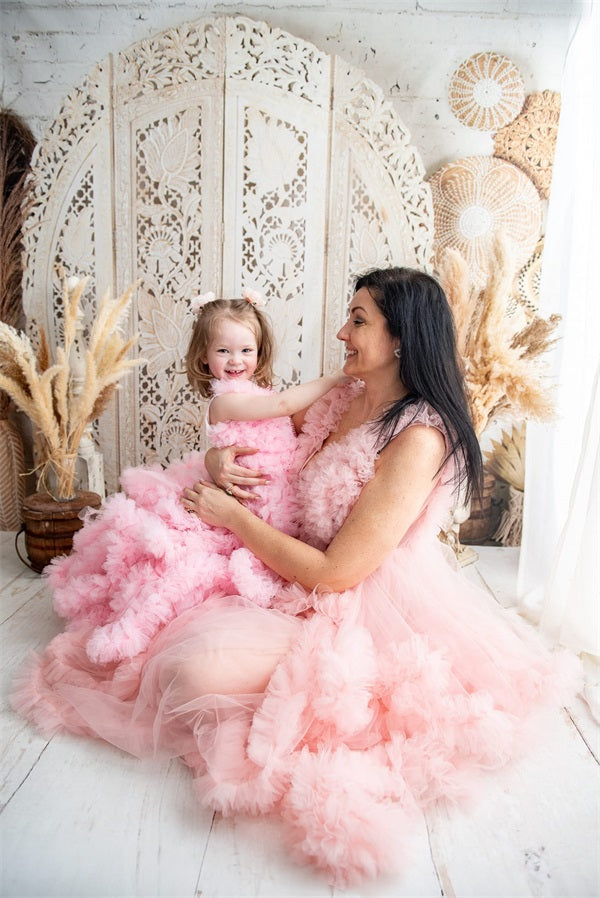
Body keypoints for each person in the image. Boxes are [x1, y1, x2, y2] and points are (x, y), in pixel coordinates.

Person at [11, 268, 581, 887]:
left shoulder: (417, 438)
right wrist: (218, 462)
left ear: (401, 340)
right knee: (148, 567)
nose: (341, 332)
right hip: (279, 550)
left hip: (349, 596)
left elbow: (336, 573)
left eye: (358, 321)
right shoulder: (346, 395)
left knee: (194, 667)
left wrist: (229, 514)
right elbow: (266, 443)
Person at [43, 288, 347, 664]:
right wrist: (336, 377)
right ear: (204, 358)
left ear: (260, 352)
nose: (235, 360)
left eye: (245, 350)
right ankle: (132, 630)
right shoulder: (225, 400)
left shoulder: (255, 390)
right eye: (223, 351)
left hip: (272, 501)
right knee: (185, 569)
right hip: (243, 503)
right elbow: (281, 406)